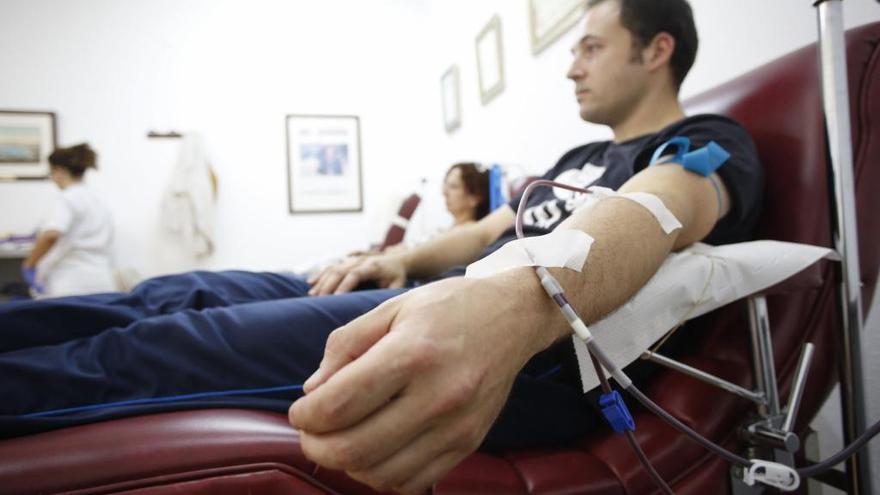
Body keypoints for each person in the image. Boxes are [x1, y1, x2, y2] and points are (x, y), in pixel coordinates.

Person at [0, 1, 763, 494]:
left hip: (532, 350)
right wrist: (398, 260)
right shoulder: (572, 165)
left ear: (657, 48)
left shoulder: (703, 144)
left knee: (175, 342)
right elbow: (489, 231)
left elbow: (665, 210)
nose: (570, 64)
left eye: (591, 46)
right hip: (453, 293)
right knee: (183, 293)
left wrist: (512, 303)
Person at [21, 143, 115, 298]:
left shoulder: (67, 198)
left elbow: (52, 235)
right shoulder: (98, 199)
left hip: (70, 283)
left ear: (59, 170)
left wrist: (29, 264)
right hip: (101, 281)